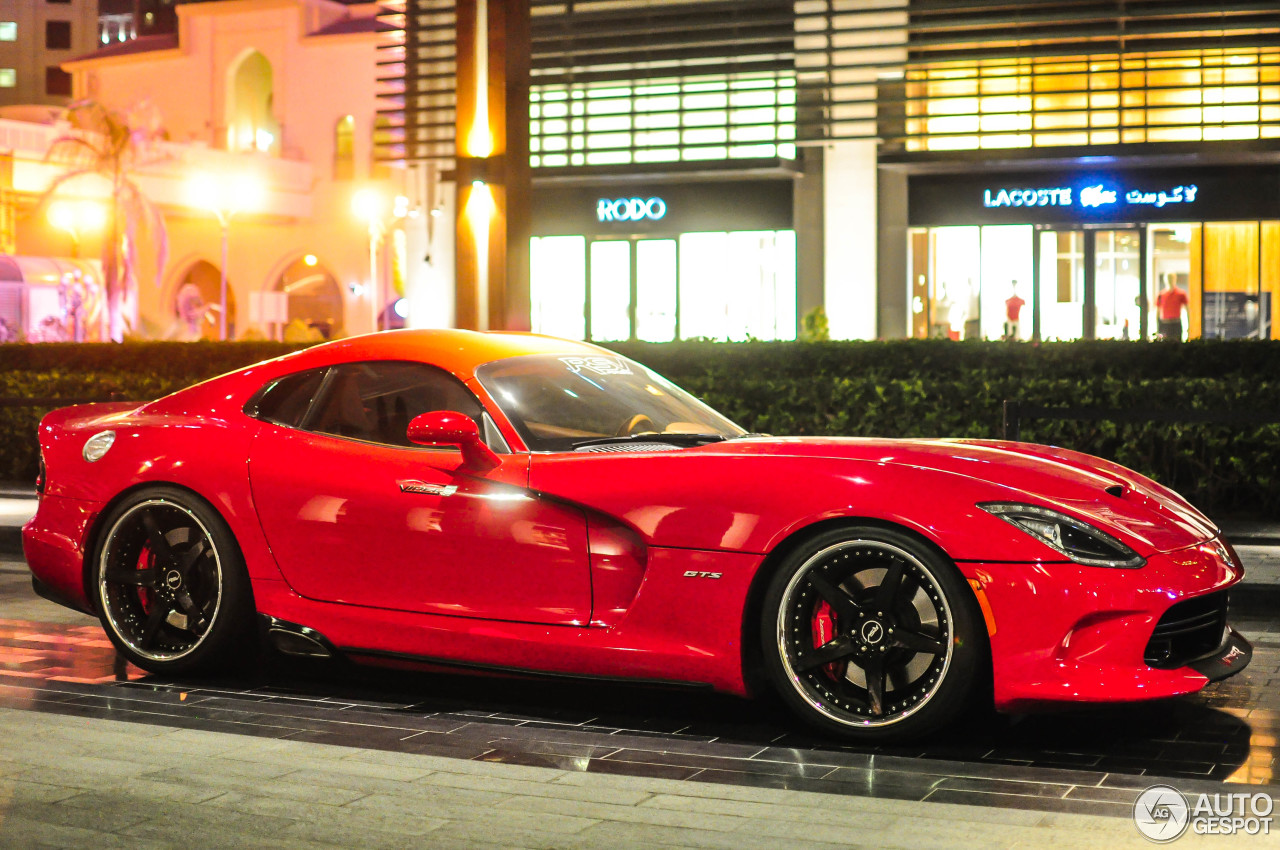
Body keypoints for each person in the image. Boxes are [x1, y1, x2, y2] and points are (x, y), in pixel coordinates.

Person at [1156, 275, 1189, 341]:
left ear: (1175, 279)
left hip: (1176, 323)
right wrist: (1157, 327)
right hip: (1165, 324)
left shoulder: (1181, 293)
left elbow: (1187, 309)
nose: (1170, 280)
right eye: (1168, 278)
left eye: (1171, 278)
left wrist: (1189, 326)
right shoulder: (1161, 294)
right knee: (1164, 343)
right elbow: (1158, 311)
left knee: (1177, 343)